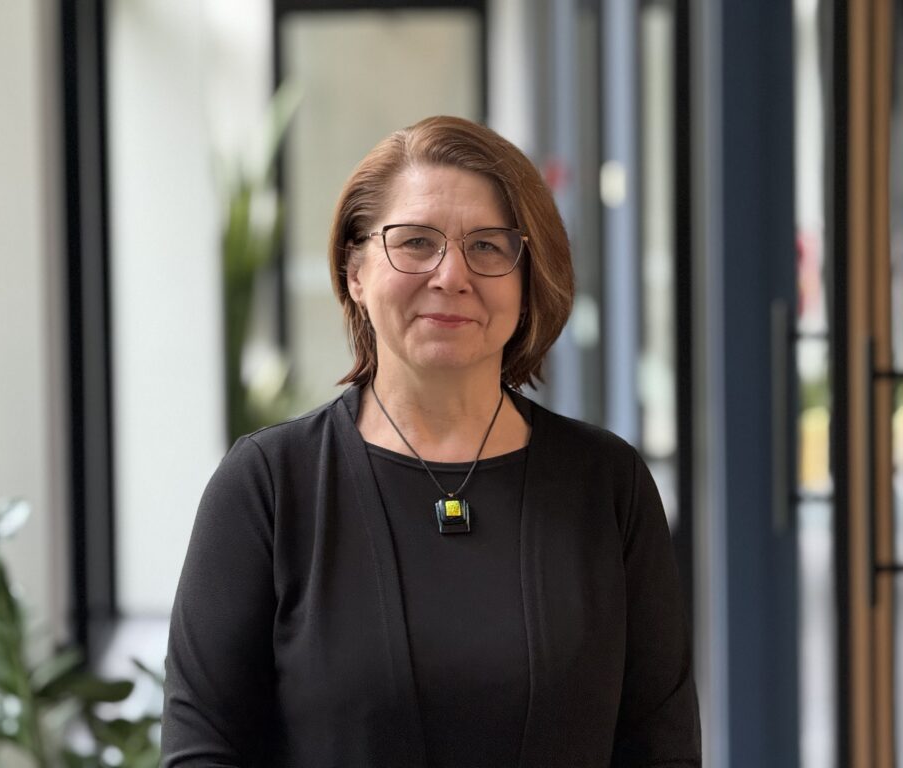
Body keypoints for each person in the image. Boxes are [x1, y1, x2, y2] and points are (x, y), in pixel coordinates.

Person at [162, 115, 701, 767]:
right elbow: (203, 748)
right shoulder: (269, 486)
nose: (452, 275)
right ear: (355, 270)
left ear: (527, 278)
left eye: (488, 246)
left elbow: (660, 744)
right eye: (416, 242)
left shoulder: (608, 483)